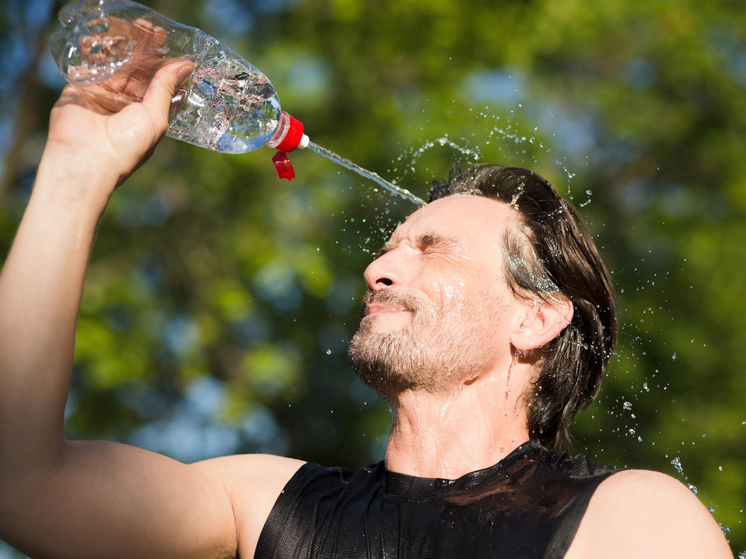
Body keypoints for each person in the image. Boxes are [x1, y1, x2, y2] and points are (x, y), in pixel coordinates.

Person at [0, 56, 734, 559]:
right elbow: (24, 486)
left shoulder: (628, 519)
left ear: (535, 318)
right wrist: (74, 170)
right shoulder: (265, 505)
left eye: (433, 247)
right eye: (389, 248)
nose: (378, 267)